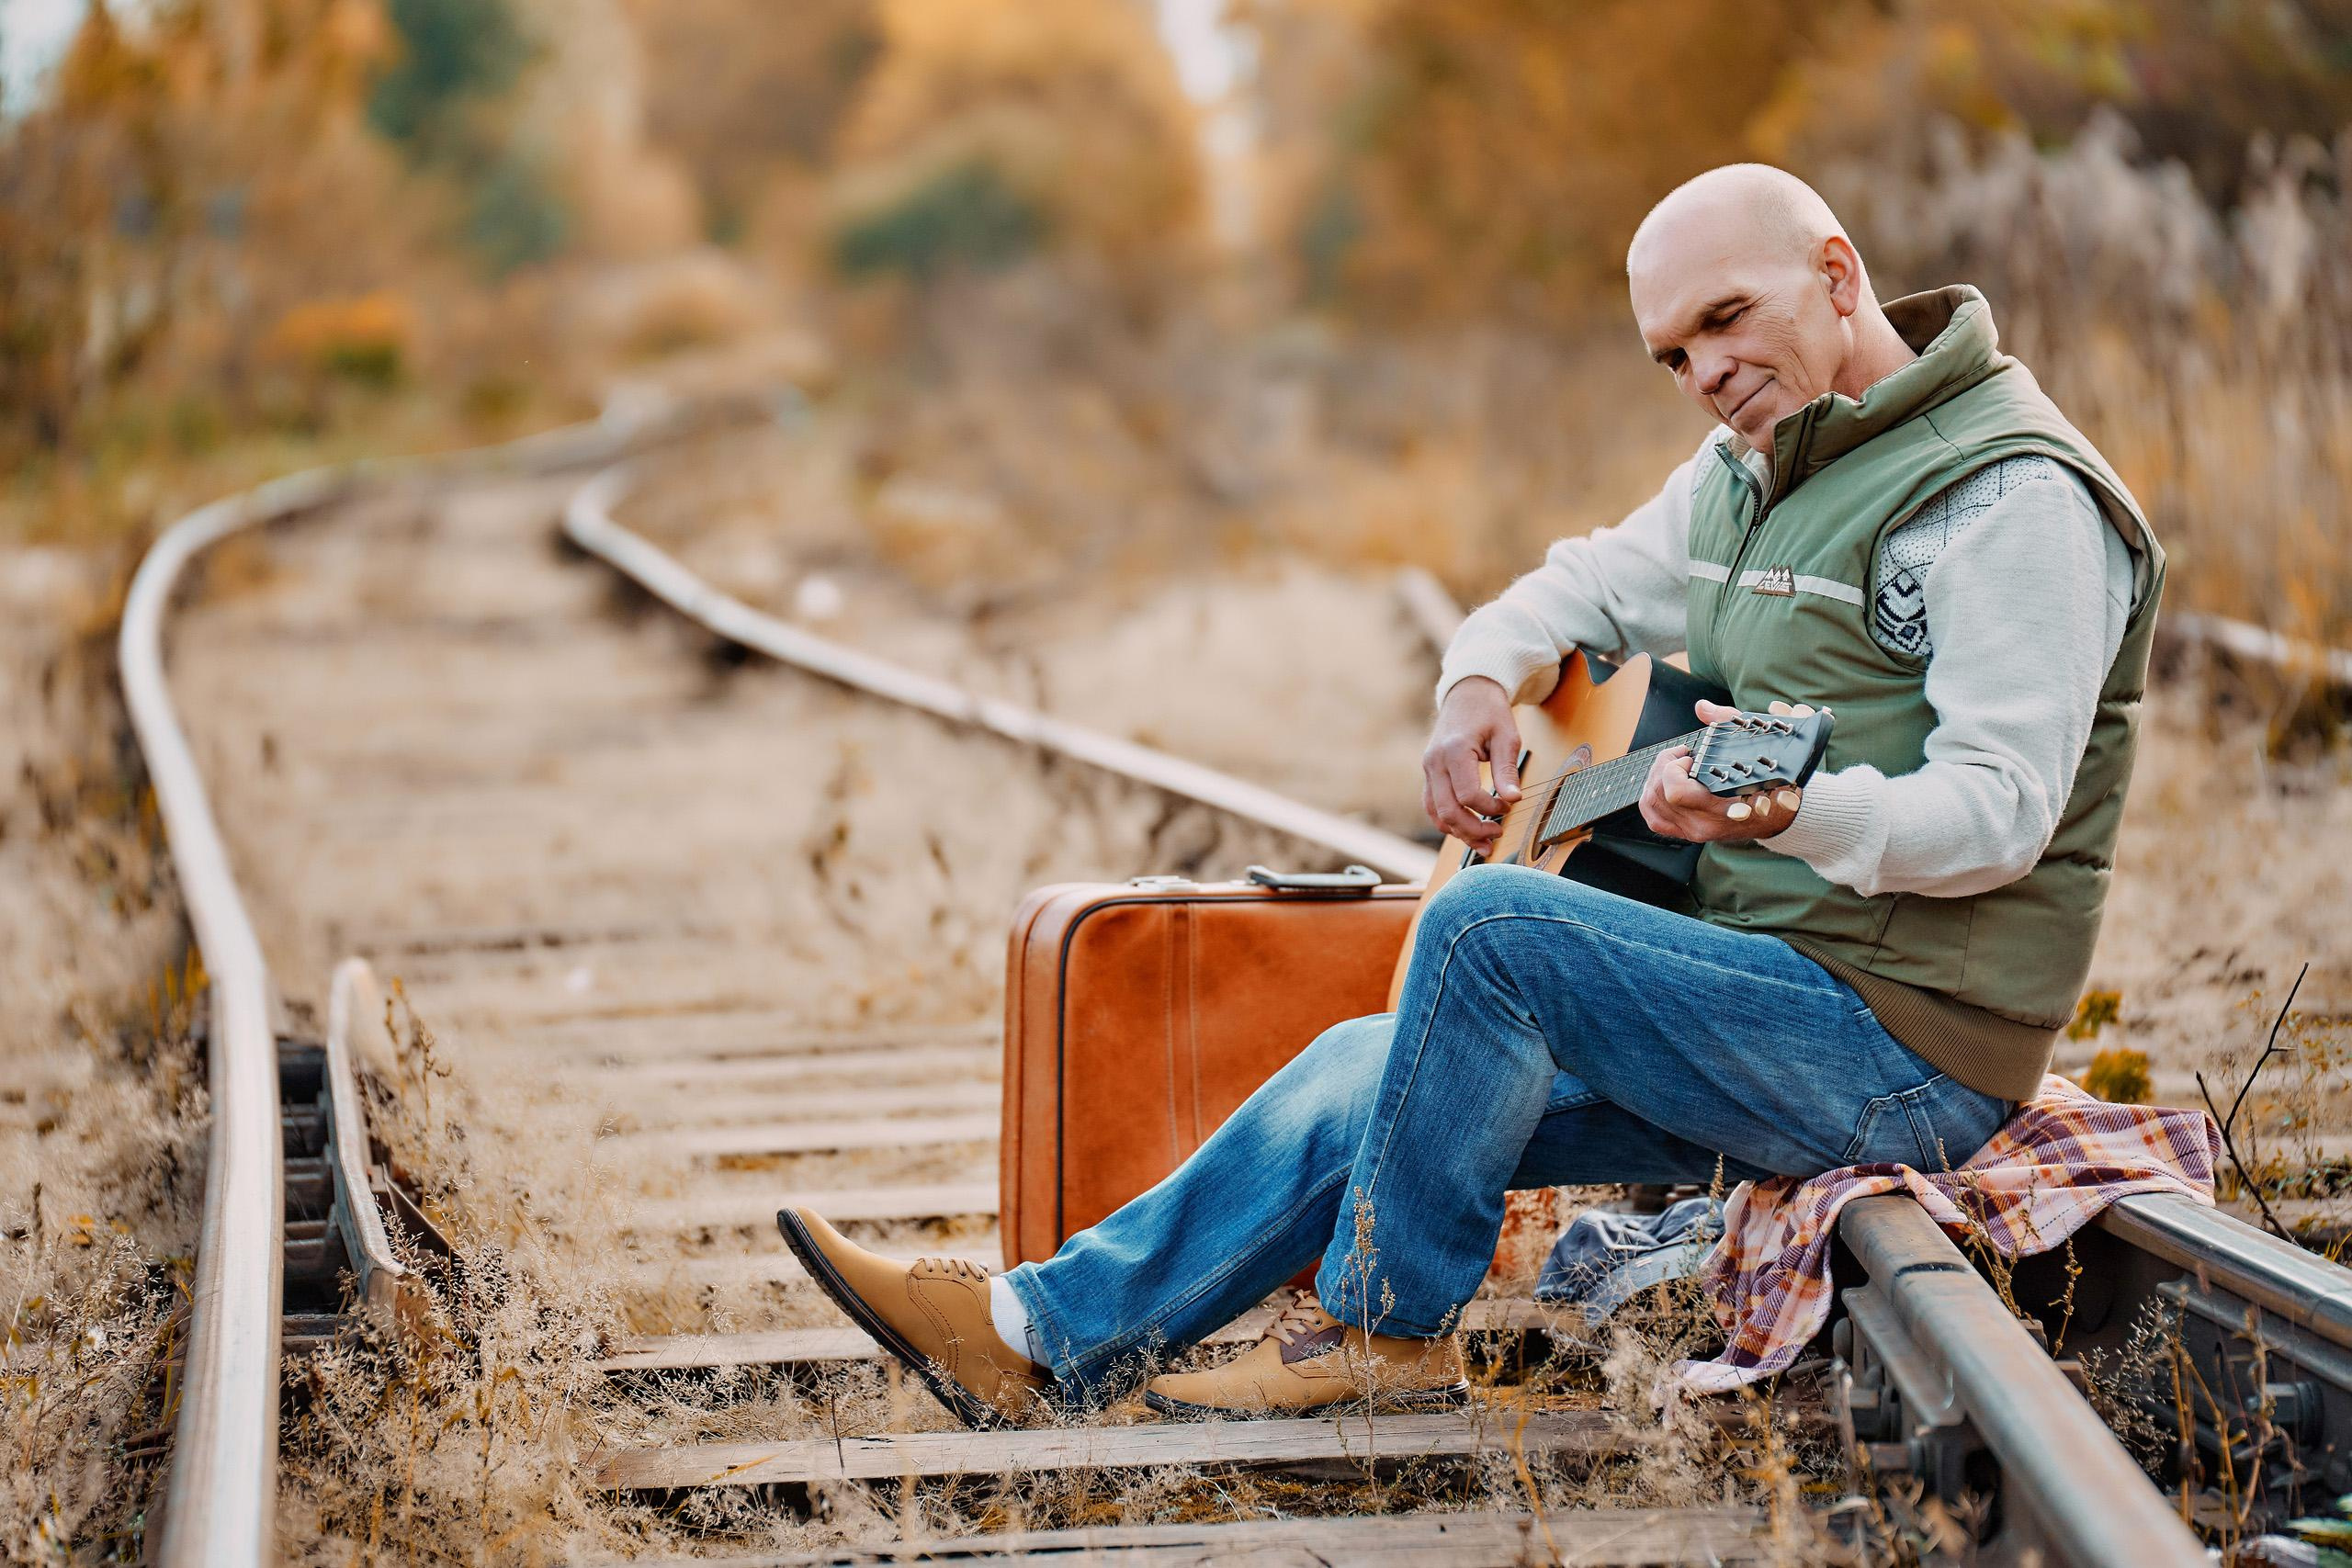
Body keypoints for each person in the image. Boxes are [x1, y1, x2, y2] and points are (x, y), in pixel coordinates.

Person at [776, 164, 2164, 1427]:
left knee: (1491, 932)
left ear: (1839, 273)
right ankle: (1033, 1337)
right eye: (1673, 352)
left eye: (1729, 321)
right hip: (1760, 992)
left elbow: (1998, 817)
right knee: (1362, 1062)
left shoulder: (2009, 500)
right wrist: (1474, 691)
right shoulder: (1756, 466)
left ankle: (1384, 1332)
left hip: (1906, 1055)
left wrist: (1792, 814)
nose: (1706, 371)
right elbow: (1573, 586)